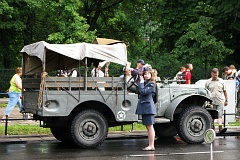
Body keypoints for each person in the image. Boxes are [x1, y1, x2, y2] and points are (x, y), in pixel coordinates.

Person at [135, 68, 156, 151]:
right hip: (146, 107)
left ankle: (151, 145)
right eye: (145, 74)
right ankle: (150, 144)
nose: (146, 75)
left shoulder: (151, 84)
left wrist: (140, 83)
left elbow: (143, 92)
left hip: (148, 108)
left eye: (148, 74)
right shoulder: (146, 83)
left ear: (151, 75)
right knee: (148, 126)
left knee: (150, 126)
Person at [205, 68, 228, 134]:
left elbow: (225, 91)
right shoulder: (208, 82)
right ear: (211, 74)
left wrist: (226, 100)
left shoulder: (221, 81)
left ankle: (220, 128)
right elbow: (206, 92)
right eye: (214, 75)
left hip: (220, 100)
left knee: (219, 115)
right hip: (211, 101)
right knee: (212, 115)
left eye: (216, 75)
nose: (215, 76)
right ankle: (213, 128)